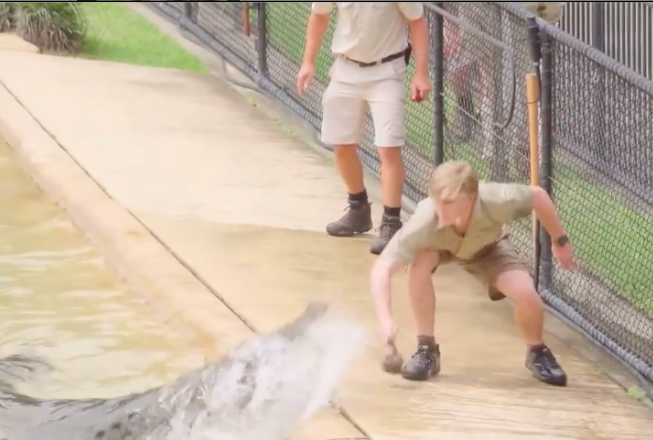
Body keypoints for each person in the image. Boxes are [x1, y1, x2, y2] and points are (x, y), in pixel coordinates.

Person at [370, 161, 574, 386]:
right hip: (441, 246)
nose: (440, 208)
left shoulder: (496, 199)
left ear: (470, 199)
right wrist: (385, 319)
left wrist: (560, 241)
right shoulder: (426, 218)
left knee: (528, 295)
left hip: (488, 248)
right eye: (437, 200)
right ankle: (426, 350)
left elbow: (538, 196)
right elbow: (382, 269)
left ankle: (537, 352)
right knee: (421, 261)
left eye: (448, 202)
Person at [296, 2, 431, 255]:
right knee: (342, 144)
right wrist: (308, 62)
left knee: (388, 147)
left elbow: (417, 22)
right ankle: (358, 208)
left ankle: (391, 222)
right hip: (346, 68)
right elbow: (319, 16)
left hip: (386, 72)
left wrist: (421, 73)